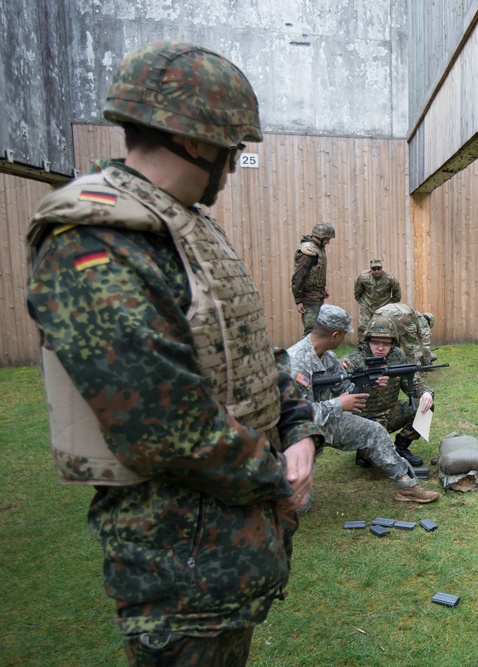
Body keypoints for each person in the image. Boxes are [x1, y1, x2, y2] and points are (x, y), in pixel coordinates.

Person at [24, 41, 323, 667]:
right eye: (233, 148)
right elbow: (163, 424)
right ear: (197, 142)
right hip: (180, 570)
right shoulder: (95, 240)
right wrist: (279, 476)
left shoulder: (181, 225)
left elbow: (249, 353)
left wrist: (299, 428)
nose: (235, 164)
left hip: (225, 558)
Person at [287, 305, 439, 505]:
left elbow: (345, 388)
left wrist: (370, 385)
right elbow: (294, 416)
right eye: (343, 334)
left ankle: (407, 487)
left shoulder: (328, 357)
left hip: (329, 420)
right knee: (297, 506)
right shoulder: (294, 362)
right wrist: (339, 404)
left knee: (374, 432)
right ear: (335, 335)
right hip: (297, 433)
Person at [342, 315, 434, 467]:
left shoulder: (397, 357)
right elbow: (338, 395)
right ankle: (363, 452)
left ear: (393, 342)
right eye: (375, 342)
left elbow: (413, 381)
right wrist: (369, 385)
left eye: (386, 343)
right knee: (383, 461)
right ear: (367, 340)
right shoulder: (352, 361)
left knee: (425, 405)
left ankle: (402, 446)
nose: (380, 347)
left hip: (390, 412)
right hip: (364, 420)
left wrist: (426, 393)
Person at [291, 222, 336, 334]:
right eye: (327, 239)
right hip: (309, 298)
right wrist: (298, 300)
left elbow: (317, 271)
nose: (328, 242)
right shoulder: (308, 252)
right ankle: (305, 352)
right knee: (310, 333)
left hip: (317, 296)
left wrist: (324, 286)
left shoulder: (318, 248)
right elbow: (298, 277)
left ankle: (319, 352)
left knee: (318, 330)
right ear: (321, 237)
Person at [373, 303, 438, 365]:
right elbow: (425, 346)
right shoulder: (424, 322)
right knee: (412, 347)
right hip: (400, 315)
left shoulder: (414, 314)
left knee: (384, 342)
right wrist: (427, 363)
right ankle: (413, 371)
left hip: (379, 313)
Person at [353, 258, 401, 337]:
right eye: (374, 269)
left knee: (385, 328)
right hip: (367, 306)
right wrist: (363, 304)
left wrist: (389, 305)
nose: (376, 271)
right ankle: (362, 347)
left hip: (384, 307)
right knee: (363, 327)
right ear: (370, 269)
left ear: (381, 268)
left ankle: (385, 346)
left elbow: (397, 295)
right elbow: (357, 293)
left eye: (379, 269)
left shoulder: (390, 278)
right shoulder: (363, 277)